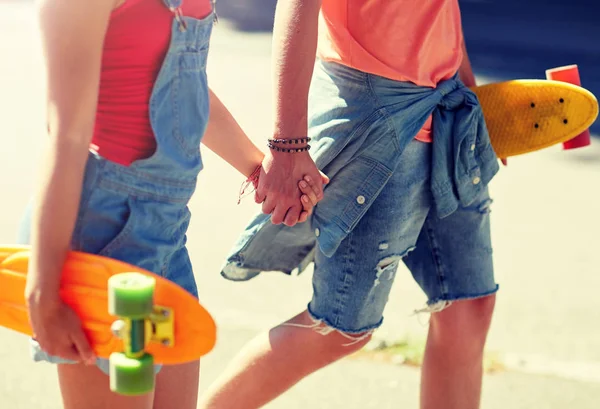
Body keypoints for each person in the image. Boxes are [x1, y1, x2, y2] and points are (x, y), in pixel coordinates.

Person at [19, 1, 325, 408]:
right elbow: (66, 139)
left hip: (167, 234)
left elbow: (188, 85)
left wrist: (260, 170)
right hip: (103, 235)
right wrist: (42, 289)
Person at [198, 0, 501, 408]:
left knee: (469, 304)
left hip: (449, 111)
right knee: (339, 328)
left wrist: (476, 96)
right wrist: (288, 144)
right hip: (377, 118)